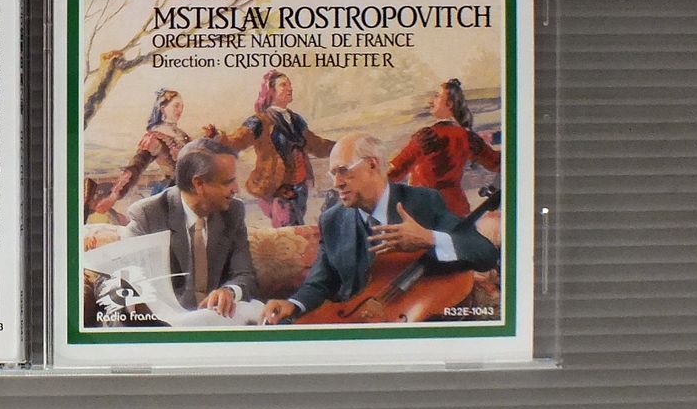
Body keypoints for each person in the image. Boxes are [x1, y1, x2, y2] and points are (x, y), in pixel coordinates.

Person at [262, 133, 497, 324]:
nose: (336, 183)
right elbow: (320, 281)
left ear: (372, 165)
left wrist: (430, 238)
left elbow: (484, 253)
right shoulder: (332, 220)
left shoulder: (424, 202)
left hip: (408, 324)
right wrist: (294, 304)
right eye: (333, 174)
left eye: (343, 170)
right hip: (352, 322)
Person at [124, 137, 259, 317]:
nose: (236, 189)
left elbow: (245, 275)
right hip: (166, 323)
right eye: (228, 182)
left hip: (215, 320)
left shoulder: (233, 211)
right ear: (199, 184)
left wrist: (230, 291)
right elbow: (121, 280)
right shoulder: (147, 215)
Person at [205, 70, 333, 228]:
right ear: (271, 91)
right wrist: (218, 136)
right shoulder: (259, 121)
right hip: (276, 188)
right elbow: (237, 141)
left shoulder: (296, 120)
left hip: (300, 186)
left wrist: (340, 146)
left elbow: (315, 144)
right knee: (287, 230)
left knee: (297, 227)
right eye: (283, 85)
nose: (290, 88)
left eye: (290, 85)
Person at [387, 78, 502, 217]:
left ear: (449, 104)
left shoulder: (427, 137)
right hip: (458, 212)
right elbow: (498, 162)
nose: (430, 101)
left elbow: (395, 171)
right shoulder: (468, 137)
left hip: (425, 213)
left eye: (437, 96)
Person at [93, 88, 192, 215]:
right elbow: (136, 167)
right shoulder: (154, 137)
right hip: (172, 192)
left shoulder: (182, 135)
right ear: (163, 108)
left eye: (182, 106)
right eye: (176, 106)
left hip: (192, 189)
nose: (180, 110)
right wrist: (114, 196)